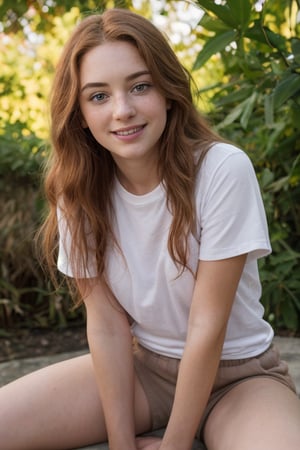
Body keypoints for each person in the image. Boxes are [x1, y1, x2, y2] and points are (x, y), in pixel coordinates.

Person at [0, 8, 299, 450]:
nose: (123, 111)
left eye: (140, 86)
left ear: (168, 92)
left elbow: (206, 326)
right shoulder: (78, 191)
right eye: (98, 96)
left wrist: (174, 446)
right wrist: (122, 443)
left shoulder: (221, 170)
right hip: (144, 373)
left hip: (238, 376)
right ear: (79, 113)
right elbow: (105, 325)